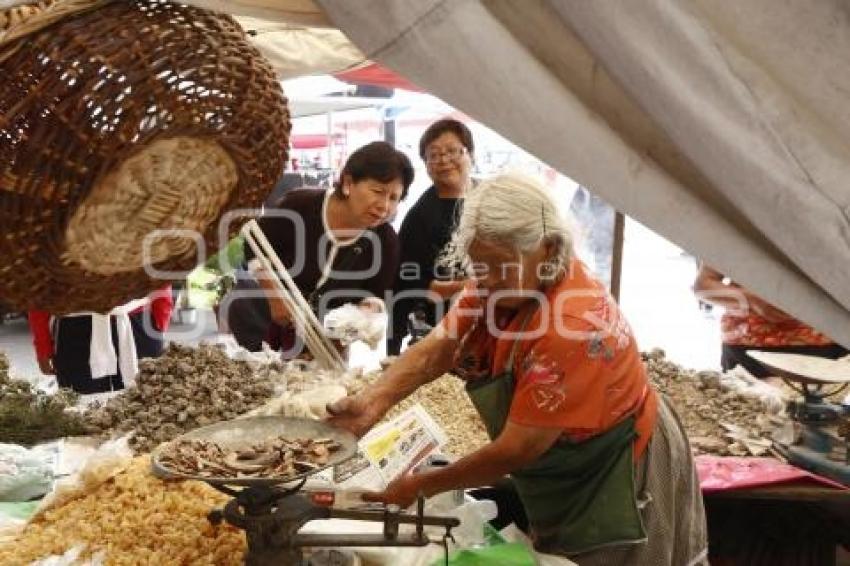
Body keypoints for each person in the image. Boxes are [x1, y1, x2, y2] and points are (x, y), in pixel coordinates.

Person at [329, 173, 708, 564]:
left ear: (547, 249)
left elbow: (516, 449)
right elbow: (437, 348)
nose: (486, 281)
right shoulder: (498, 281)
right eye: (479, 265)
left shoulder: (574, 327)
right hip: (559, 459)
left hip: (614, 463)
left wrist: (420, 485)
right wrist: (373, 402)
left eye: (501, 268)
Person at [227, 141, 414, 356]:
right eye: (377, 191)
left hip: (325, 343)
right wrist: (274, 295)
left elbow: (376, 295)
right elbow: (255, 245)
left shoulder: (385, 241)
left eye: (394, 198)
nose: (384, 206)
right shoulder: (299, 206)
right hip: (261, 321)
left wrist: (361, 317)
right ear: (348, 183)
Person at [387, 119, 475, 355]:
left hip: (492, 324)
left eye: (452, 151)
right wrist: (470, 287)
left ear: (470, 154)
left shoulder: (491, 199)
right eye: (433, 155)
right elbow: (409, 284)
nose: (444, 160)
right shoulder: (420, 217)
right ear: (426, 166)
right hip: (440, 333)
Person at [693, 264, 847, 376]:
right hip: (751, 352)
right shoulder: (743, 224)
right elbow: (702, 286)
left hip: (830, 353)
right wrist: (753, 300)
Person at [28, 286, 172, 394]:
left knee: (147, 409)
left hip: (137, 324)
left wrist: (160, 320)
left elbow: (159, 261)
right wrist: (42, 345)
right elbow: (37, 285)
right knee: (82, 413)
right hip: (74, 331)